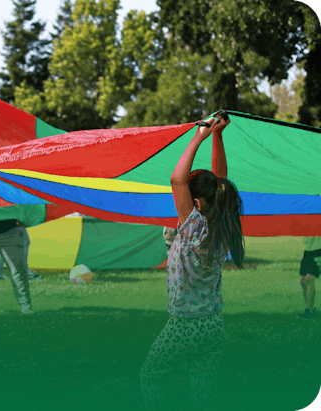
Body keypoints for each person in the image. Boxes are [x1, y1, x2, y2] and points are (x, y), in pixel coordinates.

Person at [139, 115, 244, 411]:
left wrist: (198, 136)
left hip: (185, 325)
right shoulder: (225, 222)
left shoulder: (194, 227)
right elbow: (219, 181)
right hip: (214, 323)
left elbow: (177, 179)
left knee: (151, 374)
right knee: (202, 390)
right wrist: (217, 136)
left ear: (196, 204)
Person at [297, 236, 321, 319]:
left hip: (319, 251)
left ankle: (309, 310)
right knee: (303, 281)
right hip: (307, 252)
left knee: (309, 279)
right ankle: (309, 307)